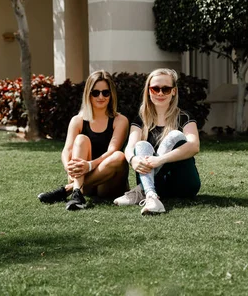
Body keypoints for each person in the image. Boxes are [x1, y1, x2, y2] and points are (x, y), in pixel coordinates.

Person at [38, 70, 129, 210]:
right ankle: (77, 192)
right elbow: (67, 150)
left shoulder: (120, 120)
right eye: (95, 92)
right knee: (80, 139)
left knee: (119, 156)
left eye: (106, 92)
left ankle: (69, 190)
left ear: (111, 95)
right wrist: (68, 167)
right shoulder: (78, 120)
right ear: (88, 94)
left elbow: (112, 150)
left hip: (109, 183)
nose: (101, 97)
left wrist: (90, 165)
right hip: (81, 176)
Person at [114, 68, 201, 215]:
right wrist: (133, 160)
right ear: (148, 91)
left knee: (174, 136)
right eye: (155, 89)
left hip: (184, 184)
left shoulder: (184, 117)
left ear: (173, 91)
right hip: (156, 185)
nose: (160, 93)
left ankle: (141, 191)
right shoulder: (140, 120)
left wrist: (160, 160)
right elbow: (129, 148)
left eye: (166, 89)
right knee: (141, 145)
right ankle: (151, 196)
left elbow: (194, 146)